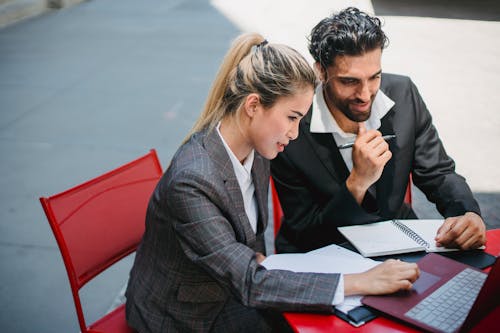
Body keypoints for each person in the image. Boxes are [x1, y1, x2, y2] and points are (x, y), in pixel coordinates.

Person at [125, 33, 420, 333]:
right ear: (253, 105)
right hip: (185, 316)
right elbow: (250, 282)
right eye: (292, 118)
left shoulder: (258, 148)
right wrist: (360, 282)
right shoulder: (192, 182)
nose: (294, 134)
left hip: (234, 287)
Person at [271, 7, 487, 254]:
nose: (365, 95)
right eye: (349, 81)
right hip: (325, 253)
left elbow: (438, 172)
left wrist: (467, 213)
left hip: (401, 242)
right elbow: (306, 231)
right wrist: (357, 183)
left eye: (374, 77)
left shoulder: (403, 93)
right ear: (321, 71)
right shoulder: (292, 124)